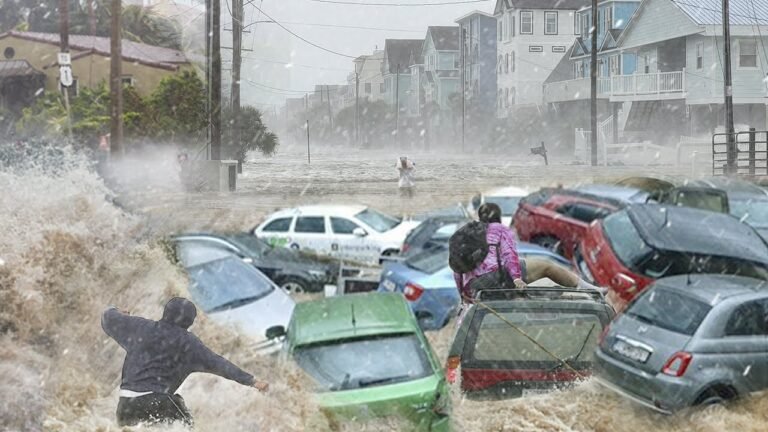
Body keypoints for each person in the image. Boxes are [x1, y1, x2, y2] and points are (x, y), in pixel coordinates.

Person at [101, 297, 268, 427]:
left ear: (165, 312)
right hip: (157, 403)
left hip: (125, 408)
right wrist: (252, 381)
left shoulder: (140, 327)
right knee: (186, 424)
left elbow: (107, 317)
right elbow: (221, 364)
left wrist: (118, 311)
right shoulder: (189, 344)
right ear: (190, 322)